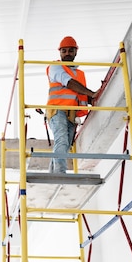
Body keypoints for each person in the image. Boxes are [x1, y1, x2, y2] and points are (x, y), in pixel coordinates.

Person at [46, 36, 99, 173]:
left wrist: (93, 97)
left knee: (64, 144)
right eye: (64, 51)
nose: (67, 53)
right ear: (60, 53)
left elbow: (81, 95)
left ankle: (52, 173)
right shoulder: (55, 67)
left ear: (76, 52)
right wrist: (92, 94)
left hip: (72, 114)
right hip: (57, 111)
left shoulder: (79, 74)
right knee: (62, 141)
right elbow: (68, 82)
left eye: (70, 50)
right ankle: (59, 173)